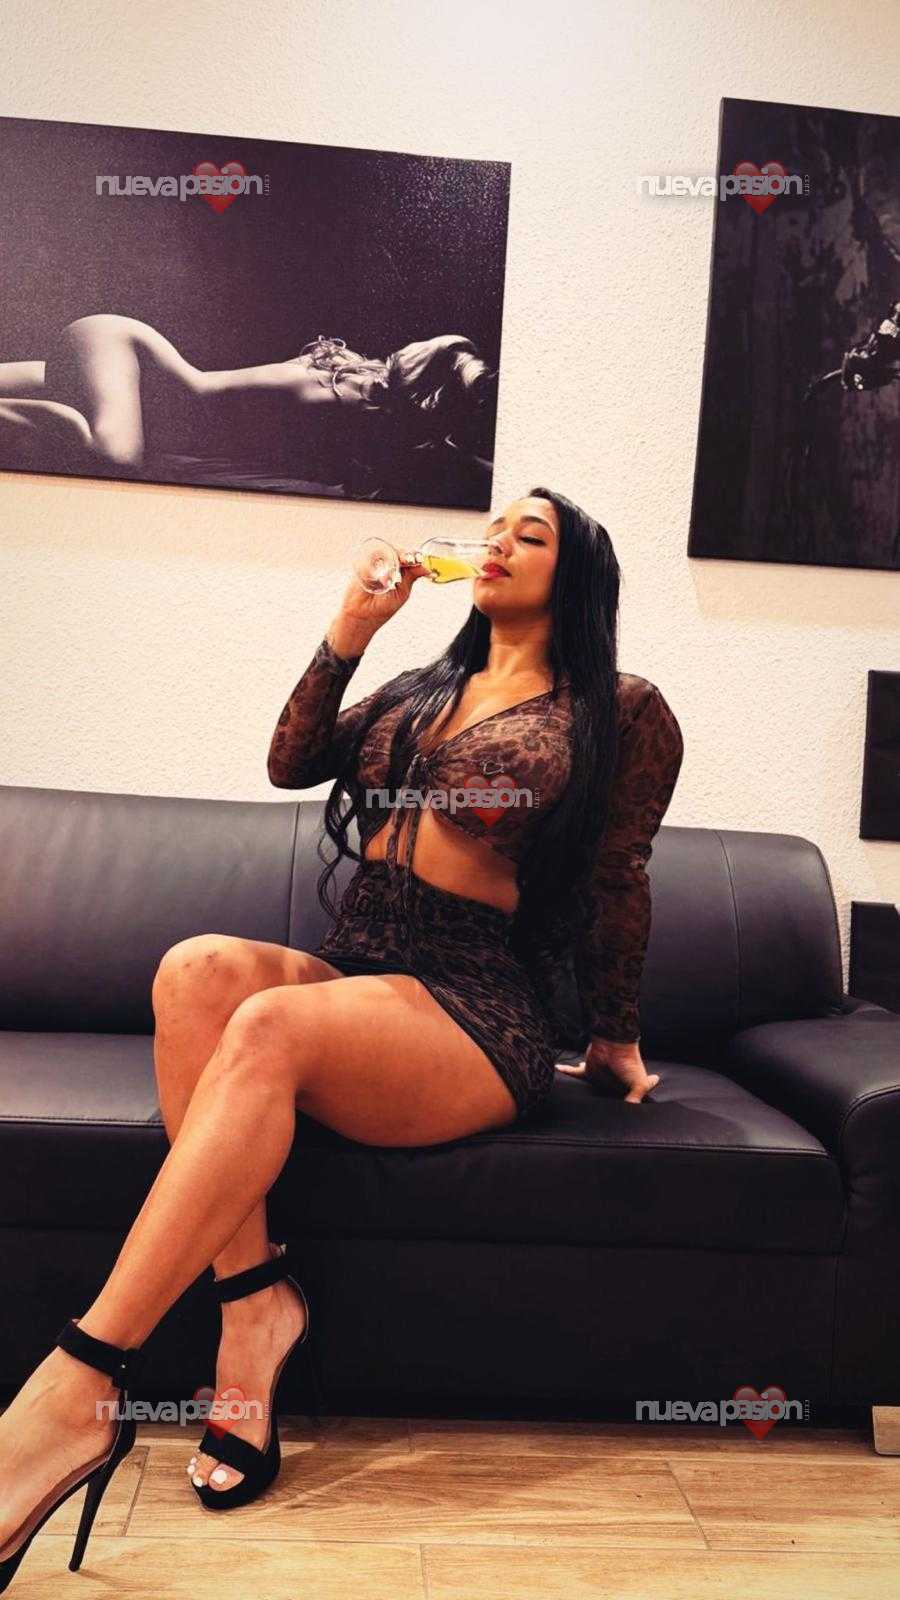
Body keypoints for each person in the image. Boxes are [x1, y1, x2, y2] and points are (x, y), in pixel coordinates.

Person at [0, 487, 684, 1588]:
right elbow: (290, 761)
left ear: (580, 576)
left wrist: (615, 1036)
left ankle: (77, 1384)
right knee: (196, 971)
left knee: (269, 1024)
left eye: (532, 534)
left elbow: (621, 875)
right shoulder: (424, 688)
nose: (499, 542)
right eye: (495, 527)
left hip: (475, 1001)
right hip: (363, 966)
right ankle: (254, 1308)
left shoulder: (618, 708)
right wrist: (354, 627)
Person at [0, 318, 497, 499]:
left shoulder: (351, 374)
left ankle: (60, 409)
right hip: (122, 349)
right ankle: (64, 418)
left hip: (127, 365)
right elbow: (445, 460)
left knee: (90, 416)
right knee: (115, 458)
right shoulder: (351, 399)